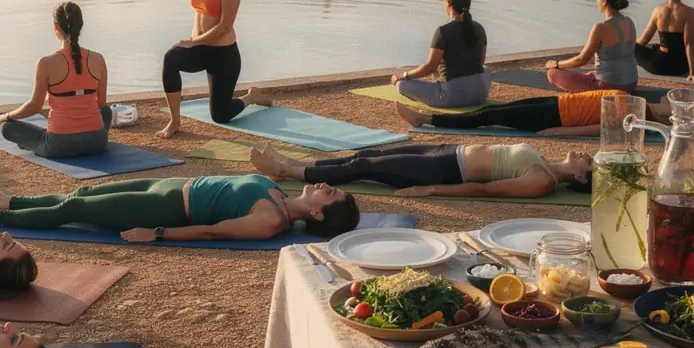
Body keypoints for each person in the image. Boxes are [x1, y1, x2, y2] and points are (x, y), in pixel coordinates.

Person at [108, 0, 271, 139]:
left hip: (223, 55)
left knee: (220, 116)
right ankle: (175, 121)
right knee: (171, 59)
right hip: (200, 49)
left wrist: (193, 42)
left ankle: (251, 97)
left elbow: (225, 26)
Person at [0, 173, 360, 243]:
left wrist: (158, 233)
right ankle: (10, 201)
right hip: (168, 185)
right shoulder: (278, 193)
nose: (325, 187)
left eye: (329, 195)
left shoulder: (271, 221)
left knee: (74, 208)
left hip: (164, 208)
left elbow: (212, 231)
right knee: (84, 193)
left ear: (318, 214)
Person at [251, 142, 591, 199]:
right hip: (447, 151)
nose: (585, 155)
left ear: (580, 177)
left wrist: (430, 189)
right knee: (370, 155)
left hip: (441, 171)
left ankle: (285, 172)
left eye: (587, 162)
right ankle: (295, 165)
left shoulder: (541, 180)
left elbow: (485, 189)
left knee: (363, 167)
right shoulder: (544, 161)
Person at [0, 2, 112, 159]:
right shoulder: (98, 59)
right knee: (107, 111)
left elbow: (34, 107)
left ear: (56, 27)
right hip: (97, 142)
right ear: (81, 25)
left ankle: (32, 142)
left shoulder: (46, 63)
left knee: (7, 128)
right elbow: (101, 105)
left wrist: (7, 116)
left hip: (59, 145)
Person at [394, 89, 673, 137]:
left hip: (554, 117)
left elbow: (602, 128)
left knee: (486, 116)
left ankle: (426, 118)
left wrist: (563, 132)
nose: (666, 98)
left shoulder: (633, 110)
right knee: (493, 110)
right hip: (556, 103)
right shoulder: (634, 99)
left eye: (668, 102)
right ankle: (427, 117)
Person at [391, 0, 490, 108]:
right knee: (485, 69)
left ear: (448, 3)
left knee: (401, 84)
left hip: (452, 96)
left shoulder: (443, 31)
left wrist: (405, 75)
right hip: (480, 94)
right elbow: (480, 63)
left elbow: (430, 67)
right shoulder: (480, 28)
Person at [545, 0, 637, 93]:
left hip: (607, 87)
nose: (597, 0)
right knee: (591, 73)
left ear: (604, 1)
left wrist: (556, 64)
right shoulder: (629, 22)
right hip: (631, 84)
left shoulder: (600, 28)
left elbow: (581, 60)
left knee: (553, 73)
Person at [635, 0, 694, 82]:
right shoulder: (689, 12)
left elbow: (643, 40)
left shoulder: (658, 11)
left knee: (634, 47)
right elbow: (689, 44)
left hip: (658, 66)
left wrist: (631, 48)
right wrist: (693, 72)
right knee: (655, 47)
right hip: (680, 67)